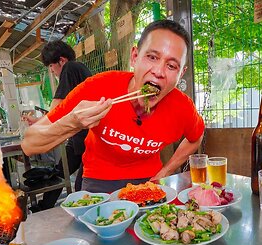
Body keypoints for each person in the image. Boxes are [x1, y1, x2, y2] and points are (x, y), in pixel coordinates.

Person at [21, 20, 205, 193]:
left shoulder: (182, 107)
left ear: (181, 74)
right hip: (98, 182)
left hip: (150, 181)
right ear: (134, 57)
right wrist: (72, 123)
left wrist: (166, 171)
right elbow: (29, 144)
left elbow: (196, 137)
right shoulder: (97, 87)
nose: (158, 72)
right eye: (152, 57)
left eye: (172, 66)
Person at [26, 40, 91, 212]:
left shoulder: (70, 68)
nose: (52, 71)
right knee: (60, 171)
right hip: (80, 137)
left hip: (90, 140)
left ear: (61, 61)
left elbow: (58, 106)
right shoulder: (80, 70)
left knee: (82, 187)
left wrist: (38, 127)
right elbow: (62, 110)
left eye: (51, 66)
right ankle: (42, 207)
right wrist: (39, 122)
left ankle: (89, 220)